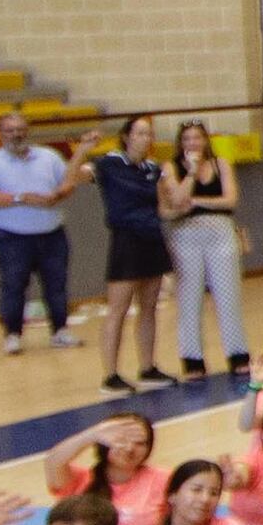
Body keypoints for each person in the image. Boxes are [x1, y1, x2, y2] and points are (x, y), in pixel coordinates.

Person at [0, 111, 75, 354]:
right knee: (13, 285)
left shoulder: (49, 156)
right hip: (12, 237)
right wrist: (21, 198)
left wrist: (59, 195)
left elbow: (68, 181)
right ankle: (13, 335)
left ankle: (60, 331)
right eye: (10, 130)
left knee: (57, 284)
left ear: (27, 131)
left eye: (20, 129)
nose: (16, 135)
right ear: (1, 134)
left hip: (51, 233)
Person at [87, 116, 175, 389]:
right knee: (119, 309)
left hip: (152, 238)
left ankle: (147, 367)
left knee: (148, 307)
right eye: (139, 133)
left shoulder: (153, 168)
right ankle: (110, 374)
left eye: (149, 134)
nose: (145, 138)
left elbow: (167, 203)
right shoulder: (110, 164)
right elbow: (74, 175)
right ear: (127, 136)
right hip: (126, 241)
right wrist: (82, 149)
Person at [168, 119, 249, 377]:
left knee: (228, 294)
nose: (193, 143)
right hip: (186, 233)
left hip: (220, 230)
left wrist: (198, 200)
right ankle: (192, 358)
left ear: (206, 140)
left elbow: (231, 200)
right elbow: (178, 201)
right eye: (187, 139)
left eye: (197, 137)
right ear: (181, 143)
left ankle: (237, 354)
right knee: (189, 296)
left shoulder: (220, 164)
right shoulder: (171, 167)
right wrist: (191, 174)